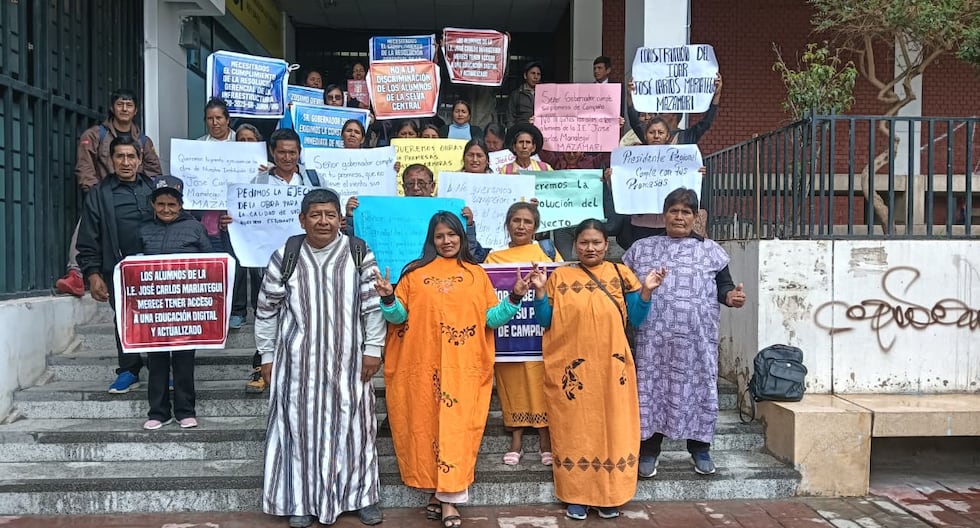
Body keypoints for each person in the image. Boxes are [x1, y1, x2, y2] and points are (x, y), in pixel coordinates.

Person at [374, 211, 527, 528]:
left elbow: (491, 319)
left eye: (452, 235)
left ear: (462, 237)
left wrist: (514, 297)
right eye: (440, 236)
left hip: (464, 370)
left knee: (457, 432)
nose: (447, 241)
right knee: (427, 428)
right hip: (421, 370)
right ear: (432, 239)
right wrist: (389, 298)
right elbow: (398, 318)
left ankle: (448, 502)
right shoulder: (414, 275)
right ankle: (437, 493)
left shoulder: (475, 275)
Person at [256, 188, 385, 528]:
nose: (323, 221)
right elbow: (266, 310)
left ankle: (362, 497)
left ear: (340, 218)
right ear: (302, 219)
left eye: (330, 214)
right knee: (298, 432)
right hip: (297, 364)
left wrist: (373, 349)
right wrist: (267, 356)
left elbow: (372, 306)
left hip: (350, 363)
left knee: (355, 429)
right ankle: (300, 501)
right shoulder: (287, 254)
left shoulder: (358, 252)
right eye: (315, 215)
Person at [530, 219, 666, 520]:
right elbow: (545, 320)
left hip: (610, 369)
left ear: (607, 244)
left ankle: (609, 494)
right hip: (571, 373)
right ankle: (576, 494)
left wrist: (645, 292)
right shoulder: (559, 276)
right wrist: (540, 293)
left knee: (612, 429)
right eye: (584, 243)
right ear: (575, 244)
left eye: (596, 243)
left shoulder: (620, 274)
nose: (590, 248)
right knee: (574, 431)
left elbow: (637, 319)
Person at [622, 187, 745, 479]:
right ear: (664, 215)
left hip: (696, 342)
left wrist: (730, 298)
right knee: (652, 392)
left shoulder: (711, 251)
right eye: (674, 211)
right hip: (654, 341)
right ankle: (649, 451)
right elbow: (622, 284)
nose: (679, 217)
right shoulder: (642, 249)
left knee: (699, 390)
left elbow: (724, 287)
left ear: (696, 217)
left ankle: (700, 449)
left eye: (686, 212)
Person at [56, 88, 162, 297]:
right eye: (120, 104)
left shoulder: (144, 141)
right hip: (104, 193)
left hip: (136, 195)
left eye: (129, 105)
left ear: (135, 110)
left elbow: (155, 171)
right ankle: (76, 273)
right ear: (113, 108)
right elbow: (85, 167)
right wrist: (97, 193)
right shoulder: (95, 135)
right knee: (87, 226)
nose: (124, 109)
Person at [76, 136, 157, 393]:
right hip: (118, 269)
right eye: (120, 156)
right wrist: (93, 274)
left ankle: (160, 369)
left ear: (140, 159)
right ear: (111, 160)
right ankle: (129, 370)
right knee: (124, 319)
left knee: (158, 318)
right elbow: (89, 236)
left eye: (131, 156)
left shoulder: (155, 189)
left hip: (155, 270)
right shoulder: (99, 195)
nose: (125, 162)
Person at [484, 203, 561, 467]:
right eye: (515, 220)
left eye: (527, 222)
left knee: (542, 383)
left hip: (538, 331)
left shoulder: (547, 253)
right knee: (512, 385)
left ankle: (544, 439)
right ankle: (515, 439)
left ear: (535, 227)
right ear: (507, 224)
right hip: (508, 336)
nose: (521, 226)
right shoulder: (493, 259)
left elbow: (558, 286)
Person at [138, 176, 211, 430]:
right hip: (153, 308)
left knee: (183, 360)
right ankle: (158, 412)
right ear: (153, 204)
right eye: (161, 204)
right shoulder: (143, 228)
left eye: (172, 204)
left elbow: (210, 263)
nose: (166, 209)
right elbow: (133, 264)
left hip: (186, 308)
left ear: (180, 205)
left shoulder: (195, 228)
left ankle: (185, 411)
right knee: (156, 360)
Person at [193, 98, 244, 329]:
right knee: (214, 262)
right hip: (210, 214)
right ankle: (215, 308)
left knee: (239, 261)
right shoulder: (198, 146)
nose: (214, 123)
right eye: (210, 119)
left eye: (219, 118)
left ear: (227, 119)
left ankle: (238, 309)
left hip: (238, 215)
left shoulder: (242, 143)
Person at [507, 61, 541, 128]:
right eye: (533, 73)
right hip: (522, 132)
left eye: (538, 74)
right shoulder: (516, 94)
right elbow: (510, 118)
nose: (536, 77)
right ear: (525, 76)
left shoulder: (546, 94)